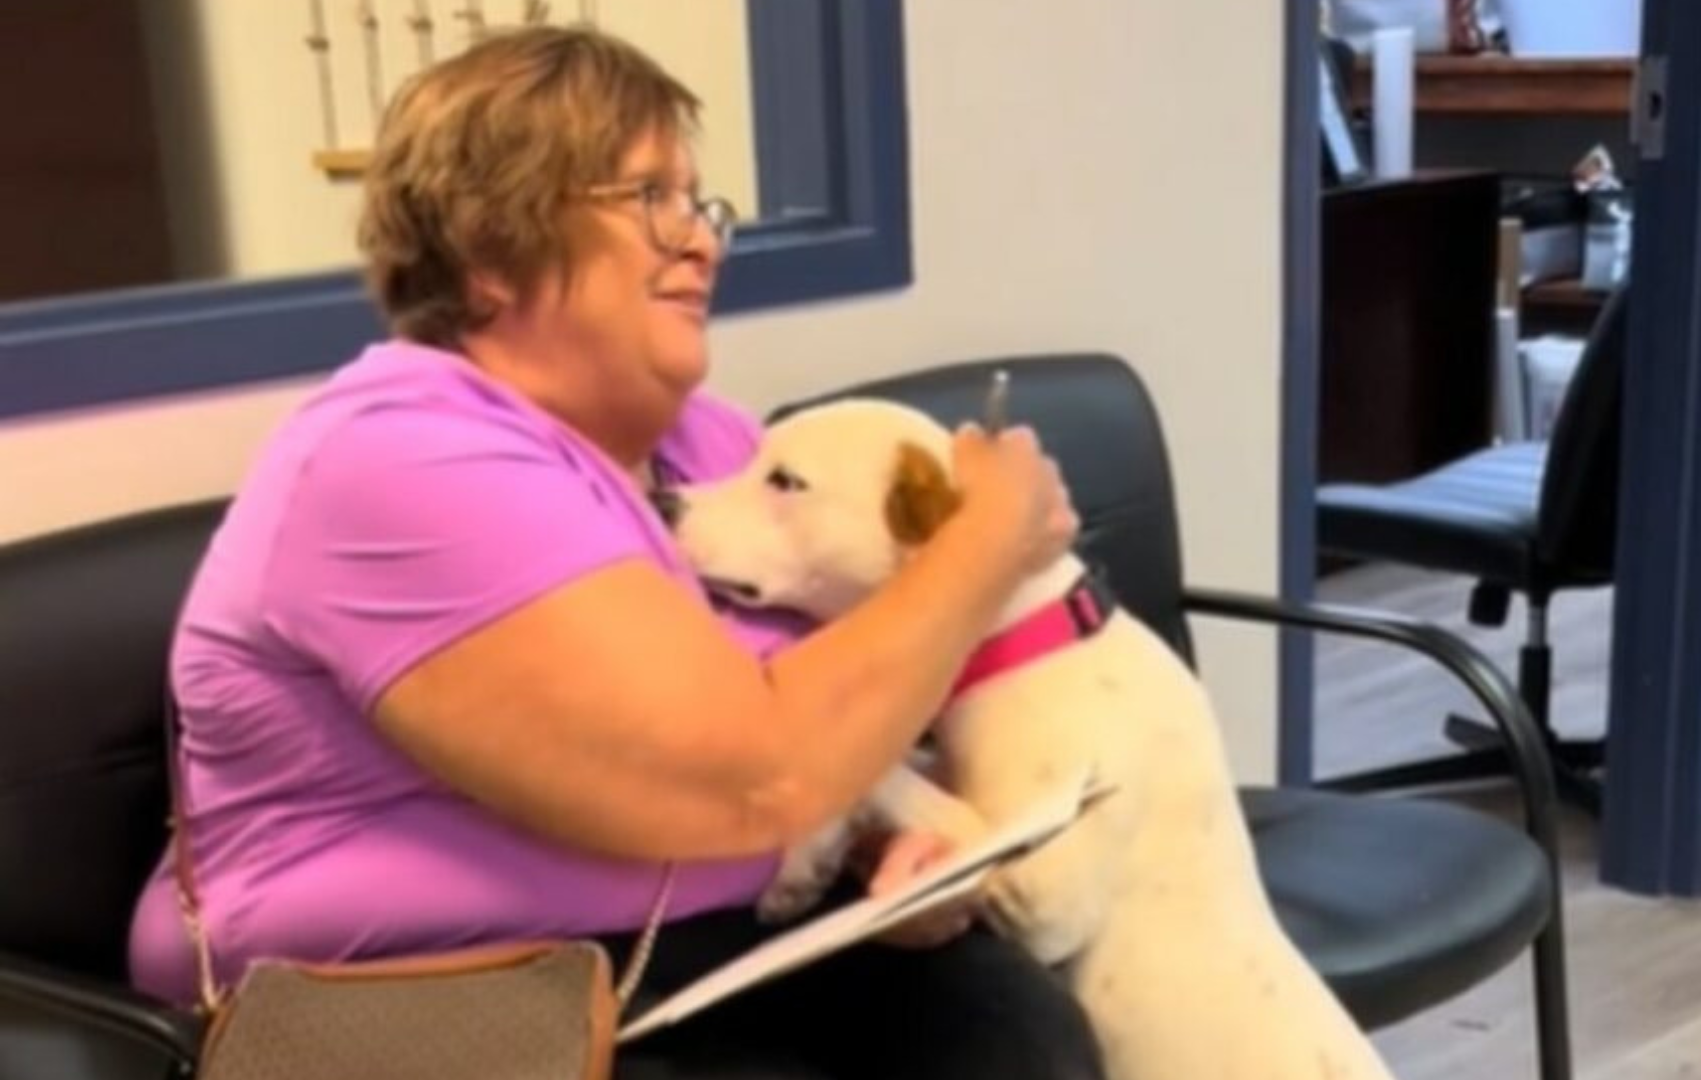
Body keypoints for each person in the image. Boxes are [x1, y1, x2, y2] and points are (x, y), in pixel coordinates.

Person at [127, 25, 1101, 1080]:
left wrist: (888, 844)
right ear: (489, 251)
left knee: (1018, 1033)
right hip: (427, 999)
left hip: (695, 942)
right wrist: (985, 540)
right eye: (650, 200)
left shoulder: (710, 446)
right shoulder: (397, 460)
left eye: (699, 204)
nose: (701, 243)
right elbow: (755, 772)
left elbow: (823, 735)